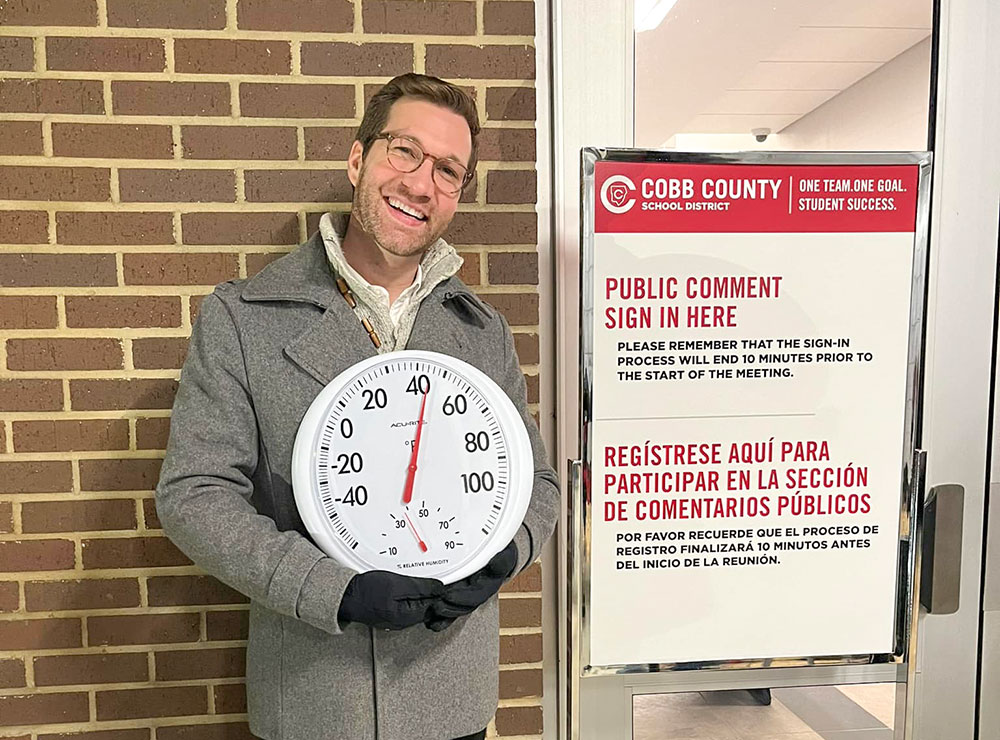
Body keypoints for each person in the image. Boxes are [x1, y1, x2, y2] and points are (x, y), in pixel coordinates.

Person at [155, 73, 559, 740]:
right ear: (357, 159)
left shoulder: (482, 332)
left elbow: (538, 484)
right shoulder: (243, 317)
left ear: (457, 194)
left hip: (450, 701)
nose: (421, 183)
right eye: (404, 151)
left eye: (448, 170)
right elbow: (194, 496)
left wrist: (506, 553)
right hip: (313, 701)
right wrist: (331, 589)